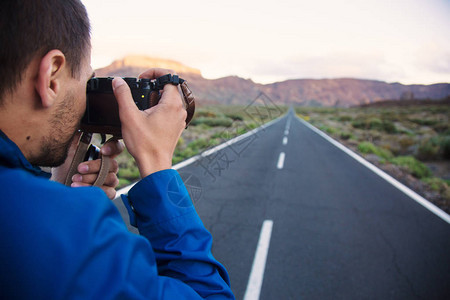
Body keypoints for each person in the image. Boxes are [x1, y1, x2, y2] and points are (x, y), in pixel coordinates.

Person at [0, 0, 234, 299]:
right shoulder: (59, 229)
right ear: (51, 77)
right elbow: (208, 294)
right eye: (86, 80)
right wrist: (157, 163)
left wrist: (55, 190)